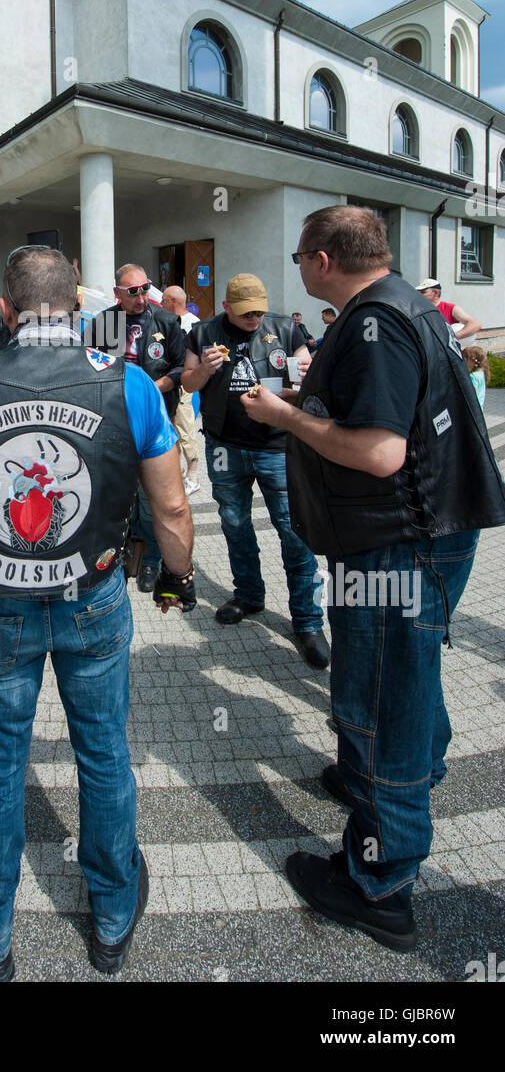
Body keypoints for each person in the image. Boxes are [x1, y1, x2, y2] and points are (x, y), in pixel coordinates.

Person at [0, 246, 195, 980]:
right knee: (103, 756)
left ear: (4, 311)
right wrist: (177, 575)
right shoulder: (129, 382)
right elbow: (169, 502)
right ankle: (108, 919)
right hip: (92, 598)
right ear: (77, 309)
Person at [243, 206, 505, 950]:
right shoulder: (402, 307)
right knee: (404, 680)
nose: (295, 266)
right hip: (427, 536)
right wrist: (303, 405)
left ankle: (379, 883)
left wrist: (283, 418)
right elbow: (389, 416)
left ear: (324, 258)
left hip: (397, 546)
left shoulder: (372, 322)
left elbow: (381, 453)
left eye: (298, 255)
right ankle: (392, 779)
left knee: (386, 698)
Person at [182, 273, 328, 668]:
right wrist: (205, 371)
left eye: (259, 311)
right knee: (234, 523)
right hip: (225, 443)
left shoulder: (286, 327)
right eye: (245, 313)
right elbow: (188, 383)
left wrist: (300, 382)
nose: (254, 318)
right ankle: (248, 594)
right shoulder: (204, 332)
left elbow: (309, 376)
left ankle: (308, 622)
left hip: (277, 445)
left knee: (293, 529)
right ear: (227, 307)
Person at [85, 263, 187, 592]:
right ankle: (120, 553)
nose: (141, 296)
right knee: (115, 490)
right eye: (133, 292)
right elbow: (88, 369)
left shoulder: (167, 321)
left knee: (151, 498)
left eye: (145, 288)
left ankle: (153, 561)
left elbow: (182, 367)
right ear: (117, 294)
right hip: (114, 421)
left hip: (154, 419)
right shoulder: (103, 323)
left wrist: (152, 389)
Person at [162, 284, 201, 494]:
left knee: (185, 427)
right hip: (168, 381)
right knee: (171, 427)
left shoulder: (194, 325)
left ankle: (193, 477)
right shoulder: (165, 322)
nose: (161, 304)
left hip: (184, 384)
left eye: (164, 301)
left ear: (173, 302)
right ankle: (177, 472)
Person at [415, 278, 481, 341]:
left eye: (423, 292)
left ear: (435, 293)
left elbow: (475, 324)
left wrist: (453, 338)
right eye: (418, 292)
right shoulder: (417, 310)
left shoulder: (451, 309)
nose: (419, 294)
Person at [463, 345, 489, 409]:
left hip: (473, 410)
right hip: (479, 408)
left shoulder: (473, 376)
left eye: (466, 359)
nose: (464, 361)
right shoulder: (481, 372)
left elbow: (471, 395)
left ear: (471, 360)